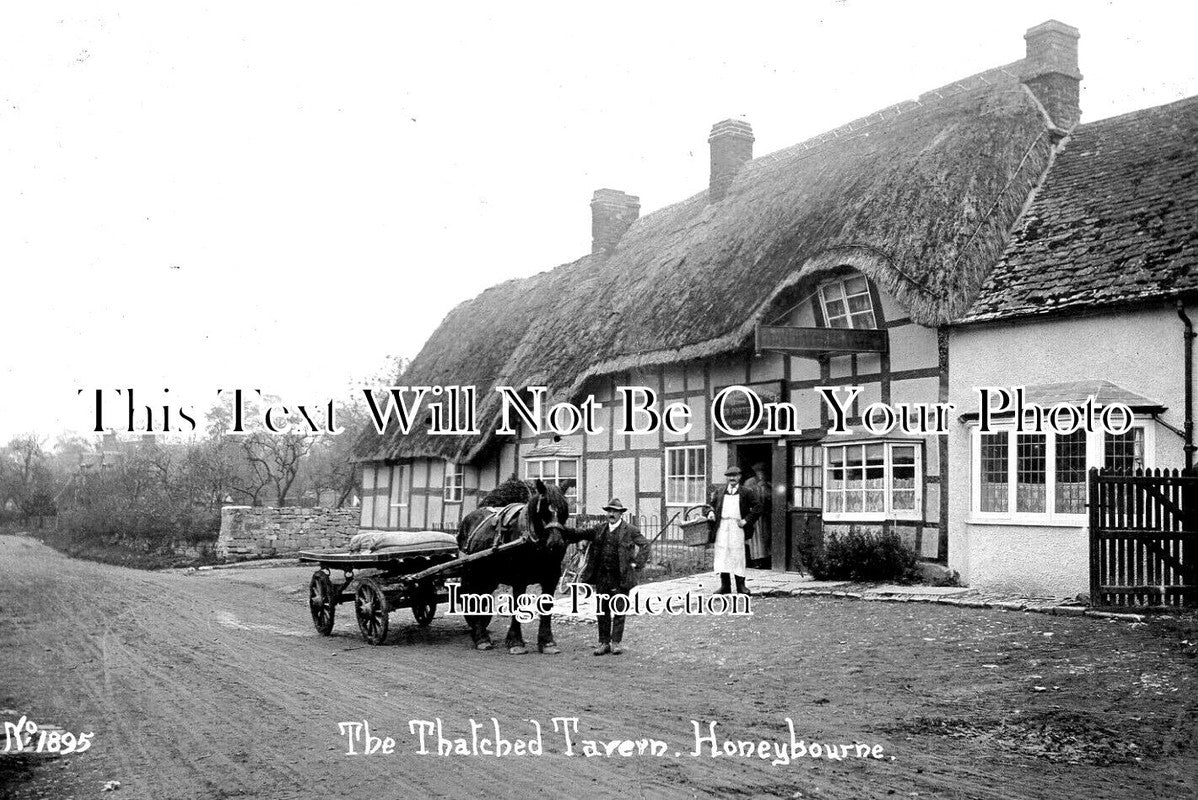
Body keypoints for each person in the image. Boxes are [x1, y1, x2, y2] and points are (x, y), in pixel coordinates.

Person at [566, 498, 650, 656]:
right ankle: (604, 642)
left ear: (620, 514)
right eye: (609, 511)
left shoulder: (630, 530)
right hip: (602, 576)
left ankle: (616, 643)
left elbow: (645, 545)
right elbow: (581, 533)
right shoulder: (600, 529)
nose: (611, 514)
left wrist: (636, 564)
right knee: (602, 610)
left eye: (615, 511)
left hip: (621, 577)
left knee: (619, 609)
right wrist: (562, 530)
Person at [706, 467, 761, 595]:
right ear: (727, 477)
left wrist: (746, 520)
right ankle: (725, 586)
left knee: (737, 555)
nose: (732, 478)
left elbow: (758, 507)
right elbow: (709, 506)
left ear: (739, 477)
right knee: (722, 555)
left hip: (737, 526)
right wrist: (710, 512)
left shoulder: (746, 492)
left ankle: (741, 586)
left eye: (734, 475)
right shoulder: (720, 491)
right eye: (729, 476)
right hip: (722, 526)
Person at [742, 462, 772, 569]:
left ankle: (765, 559)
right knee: (755, 538)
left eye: (763, 472)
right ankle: (756, 560)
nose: (761, 474)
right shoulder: (749, 482)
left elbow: (770, 496)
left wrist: (766, 488)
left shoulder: (767, 483)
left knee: (765, 538)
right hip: (754, 514)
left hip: (764, 515)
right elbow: (747, 497)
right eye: (759, 472)